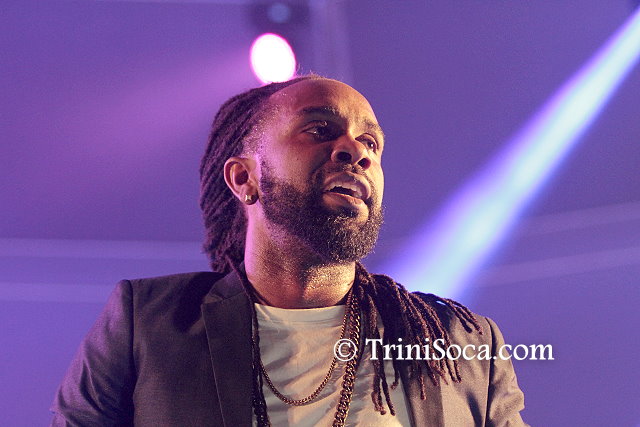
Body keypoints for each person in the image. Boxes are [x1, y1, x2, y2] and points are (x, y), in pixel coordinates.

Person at [50, 75, 528, 426]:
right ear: (244, 178)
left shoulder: (462, 344)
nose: (357, 151)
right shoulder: (147, 324)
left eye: (370, 142)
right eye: (319, 130)